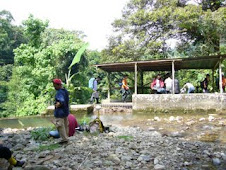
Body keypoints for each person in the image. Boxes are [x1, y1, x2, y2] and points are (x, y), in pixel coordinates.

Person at [52, 78, 70, 144]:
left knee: (60, 126)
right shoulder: (65, 91)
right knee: (65, 125)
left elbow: (61, 101)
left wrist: (57, 105)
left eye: (54, 85)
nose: (54, 87)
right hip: (65, 112)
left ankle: (64, 139)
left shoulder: (59, 92)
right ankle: (66, 137)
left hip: (60, 112)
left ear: (57, 85)